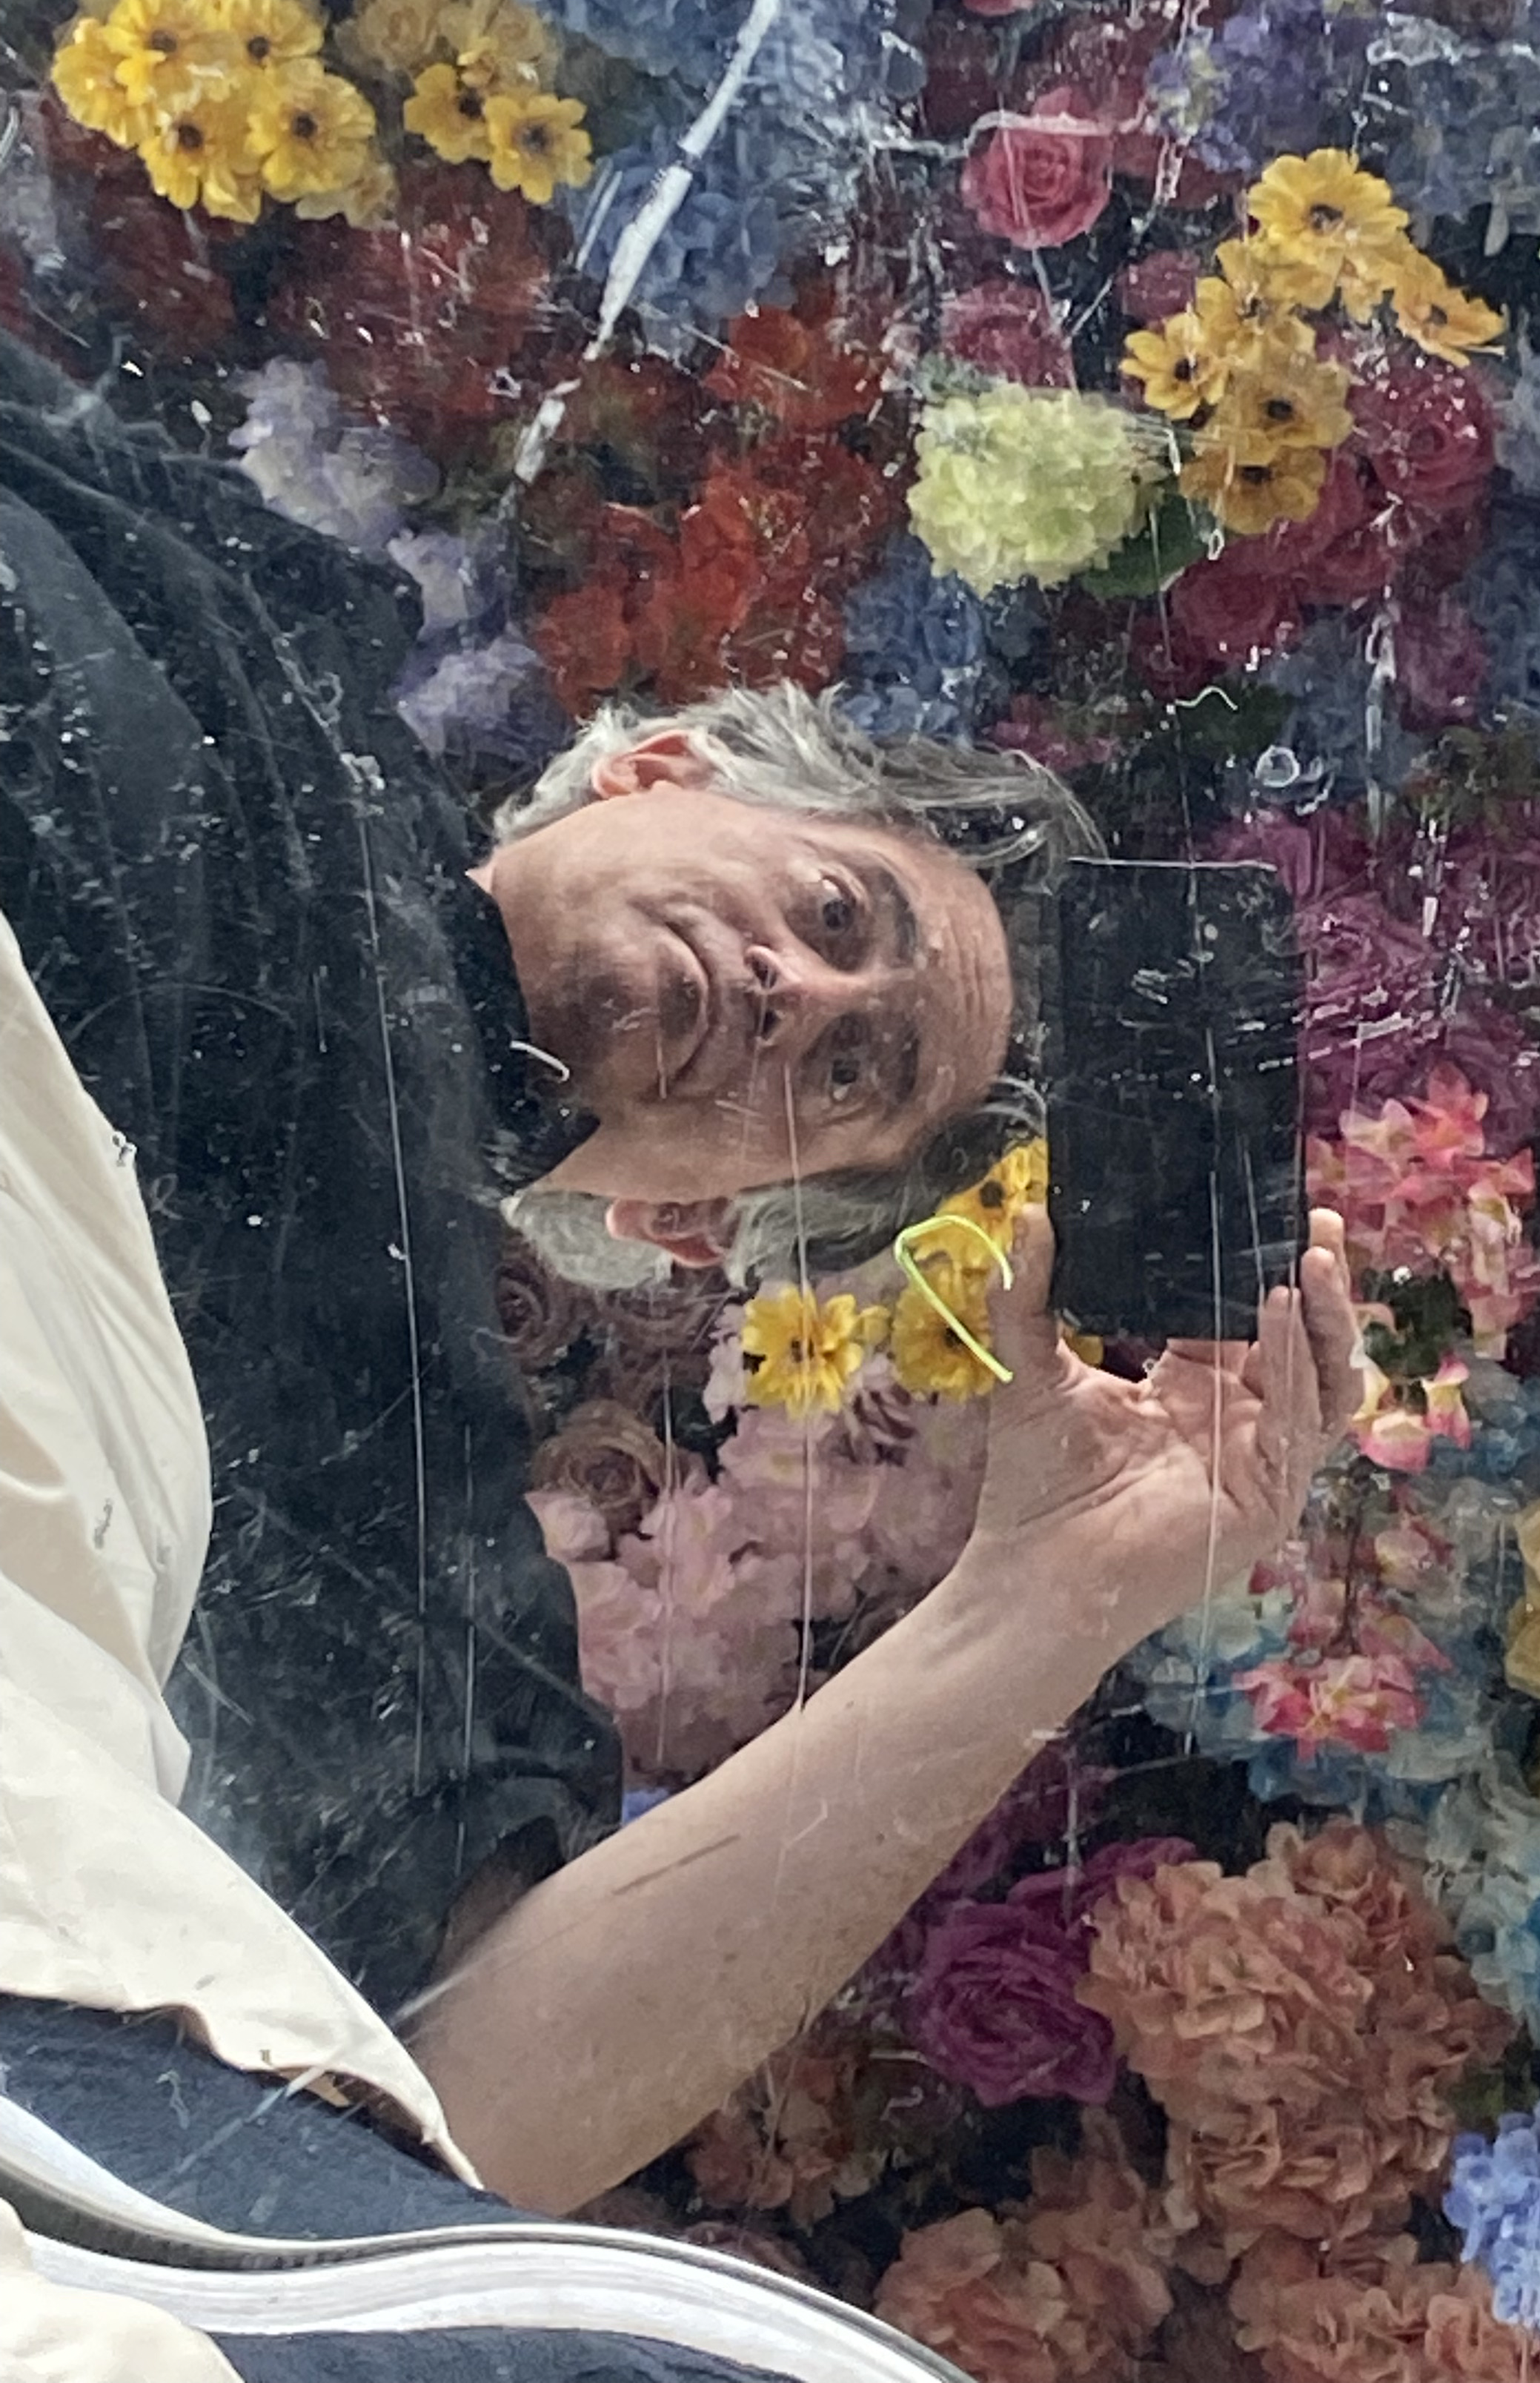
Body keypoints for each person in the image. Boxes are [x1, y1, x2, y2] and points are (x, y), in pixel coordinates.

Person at [0, 335, 1360, 2328]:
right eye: (842, 913)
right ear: (663, 774)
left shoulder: (406, 1485)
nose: (804, 996)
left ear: (683, 1224)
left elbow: (441, 2106)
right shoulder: (242, 599)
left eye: (857, 1072)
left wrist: (1054, 1593)